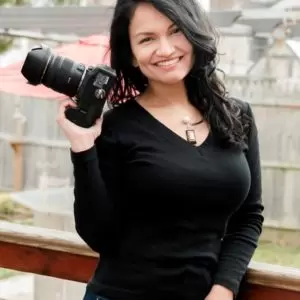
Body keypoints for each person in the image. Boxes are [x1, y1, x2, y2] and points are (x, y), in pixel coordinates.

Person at [56, 0, 264, 299]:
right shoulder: (115, 126)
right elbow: (98, 235)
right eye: (147, 39)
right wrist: (82, 146)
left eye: (176, 31)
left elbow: (249, 216)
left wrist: (224, 288)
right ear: (131, 54)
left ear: (195, 33)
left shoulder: (237, 116)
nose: (165, 49)